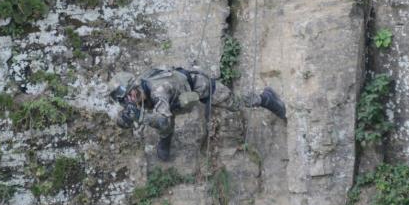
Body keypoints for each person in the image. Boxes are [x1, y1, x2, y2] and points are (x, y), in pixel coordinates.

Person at [109, 65, 286, 161]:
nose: (128, 102)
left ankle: (265, 98)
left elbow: (162, 120)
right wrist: (125, 118)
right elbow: (123, 121)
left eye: (128, 97)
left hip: (201, 87)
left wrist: (140, 117)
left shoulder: (158, 91)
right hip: (176, 101)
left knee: (235, 104)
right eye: (124, 100)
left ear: (134, 88)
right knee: (166, 124)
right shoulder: (136, 96)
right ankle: (165, 141)